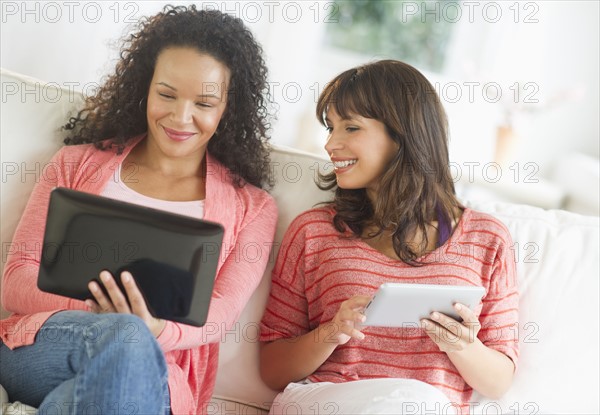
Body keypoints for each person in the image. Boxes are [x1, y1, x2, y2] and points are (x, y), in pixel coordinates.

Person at [0, 5, 277, 415]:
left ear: (227, 107)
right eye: (166, 94)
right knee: (126, 335)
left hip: (156, 371)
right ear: (143, 87)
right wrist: (111, 316)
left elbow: (218, 315)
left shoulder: (253, 207)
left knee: (79, 397)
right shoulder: (74, 163)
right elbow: (15, 278)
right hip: (50, 345)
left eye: (204, 102)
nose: (181, 117)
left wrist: (155, 328)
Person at [259, 60, 518, 415]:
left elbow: (499, 381)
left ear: (403, 135)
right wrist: (331, 333)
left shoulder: (487, 239)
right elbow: (272, 368)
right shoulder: (313, 230)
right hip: (324, 401)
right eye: (330, 128)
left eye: (351, 128)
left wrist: (464, 346)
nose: (331, 144)